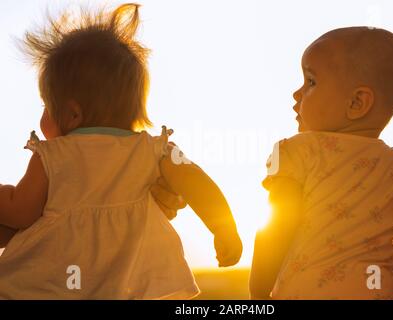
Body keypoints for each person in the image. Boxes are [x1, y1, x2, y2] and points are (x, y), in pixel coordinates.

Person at [0, 3, 242, 299]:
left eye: (46, 106)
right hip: (134, 285)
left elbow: (21, 210)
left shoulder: (54, 154)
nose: (43, 115)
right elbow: (196, 181)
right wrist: (223, 227)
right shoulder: (155, 149)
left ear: (73, 114)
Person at [250, 27, 393, 300]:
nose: (297, 93)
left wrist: (257, 295)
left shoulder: (294, 152)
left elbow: (276, 228)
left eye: (310, 82)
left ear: (357, 103)